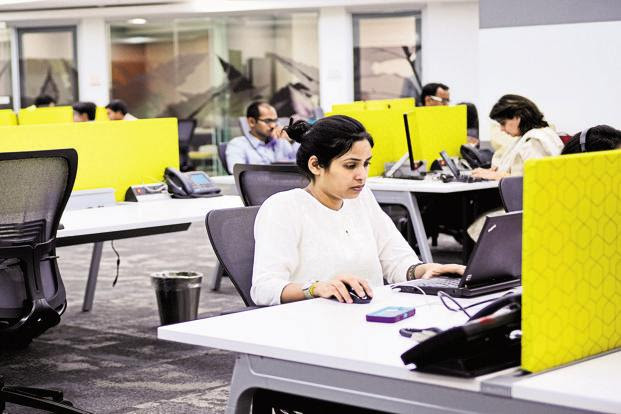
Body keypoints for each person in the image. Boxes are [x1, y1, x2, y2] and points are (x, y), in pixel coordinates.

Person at [250, 115, 465, 306]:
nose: (362, 175)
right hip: (313, 322)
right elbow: (263, 288)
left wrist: (424, 270)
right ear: (315, 165)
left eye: (366, 164)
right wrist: (315, 288)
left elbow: (396, 261)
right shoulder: (283, 208)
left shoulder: (362, 198)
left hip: (369, 315)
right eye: (351, 165)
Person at [471, 94, 563, 181]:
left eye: (503, 123)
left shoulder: (534, 142)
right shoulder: (530, 136)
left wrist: (497, 175)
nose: (502, 129)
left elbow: (536, 180)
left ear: (517, 118)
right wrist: (493, 173)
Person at [225, 101, 298, 169]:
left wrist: (293, 140)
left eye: (275, 121)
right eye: (267, 121)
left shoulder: (281, 142)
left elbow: (301, 164)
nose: (273, 125)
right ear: (251, 122)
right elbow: (236, 173)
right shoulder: (238, 145)